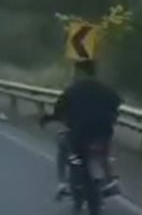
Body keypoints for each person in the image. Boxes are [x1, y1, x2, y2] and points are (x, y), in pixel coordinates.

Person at [41, 60, 122, 196]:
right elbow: (116, 103)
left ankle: (63, 183)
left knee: (63, 144)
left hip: (79, 134)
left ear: (80, 72)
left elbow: (59, 110)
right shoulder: (105, 89)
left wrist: (48, 119)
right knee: (104, 153)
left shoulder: (72, 90)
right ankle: (110, 180)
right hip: (103, 131)